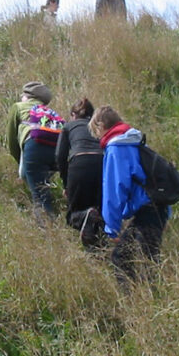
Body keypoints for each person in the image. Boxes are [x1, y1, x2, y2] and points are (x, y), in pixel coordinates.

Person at [88, 106, 171, 284]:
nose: (97, 137)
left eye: (96, 131)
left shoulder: (116, 148)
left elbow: (115, 189)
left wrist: (112, 227)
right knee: (145, 259)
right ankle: (146, 299)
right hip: (157, 207)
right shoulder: (135, 140)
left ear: (101, 126)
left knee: (124, 258)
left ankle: (136, 302)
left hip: (148, 210)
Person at [55, 97, 104, 248]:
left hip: (80, 162)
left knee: (73, 215)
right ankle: (97, 248)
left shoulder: (69, 126)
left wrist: (66, 184)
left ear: (73, 115)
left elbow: (59, 156)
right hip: (102, 163)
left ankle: (85, 217)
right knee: (99, 209)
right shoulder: (98, 128)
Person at [6, 81, 60, 217]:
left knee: (40, 198)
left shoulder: (18, 107)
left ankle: (47, 230)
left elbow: (12, 139)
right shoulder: (50, 112)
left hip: (33, 146)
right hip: (57, 149)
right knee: (42, 185)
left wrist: (21, 161)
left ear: (27, 96)